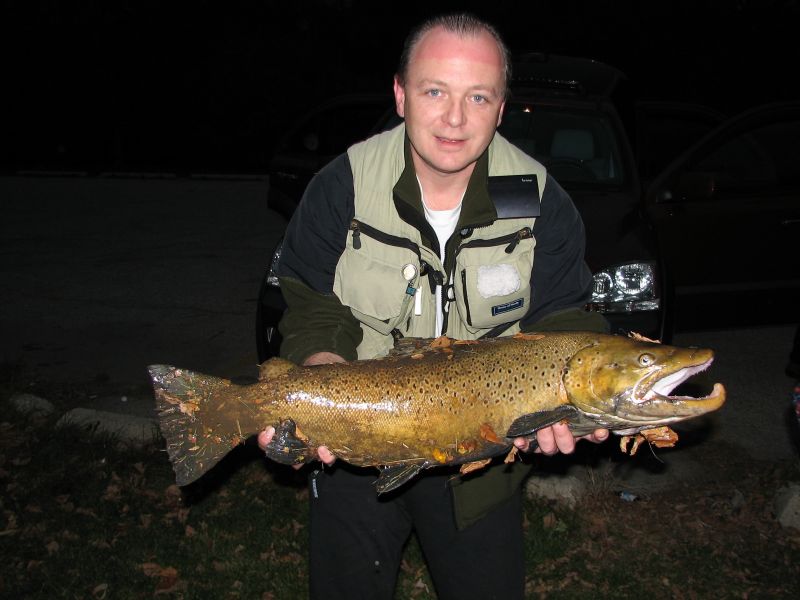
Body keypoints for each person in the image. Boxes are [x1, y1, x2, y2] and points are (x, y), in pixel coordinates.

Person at [258, 13, 609, 599]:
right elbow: (308, 298)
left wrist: (572, 395)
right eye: (435, 91)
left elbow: (563, 314)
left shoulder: (542, 199)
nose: (455, 118)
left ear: (501, 109)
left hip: (480, 467)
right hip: (355, 449)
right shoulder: (342, 184)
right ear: (400, 95)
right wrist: (319, 369)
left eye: (478, 96)